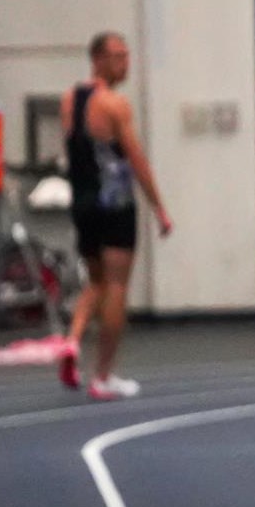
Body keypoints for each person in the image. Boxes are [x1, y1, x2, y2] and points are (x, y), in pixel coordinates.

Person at [56, 32, 173, 400]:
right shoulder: (114, 104)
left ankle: (72, 342)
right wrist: (159, 208)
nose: (126, 64)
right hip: (115, 204)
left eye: (127, 56)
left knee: (96, 282)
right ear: (98, 59)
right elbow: (136, 160)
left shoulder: (69, 100)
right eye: (119, 57)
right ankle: (103, 376)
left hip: (83, 204)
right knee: (117, 287)